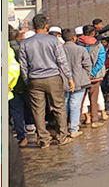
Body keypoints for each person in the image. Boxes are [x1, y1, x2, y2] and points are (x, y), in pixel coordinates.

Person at [17, 14, 75, 148]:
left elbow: (23, 66)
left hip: (34, 79)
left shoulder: (25, 43)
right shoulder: (53, 40)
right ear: (46, 27)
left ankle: (43, 140)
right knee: (59, 107)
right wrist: (69, 78)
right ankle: (62, 137)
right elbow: (62, 61)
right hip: (53, 78)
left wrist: (28, 81)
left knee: (38, 110)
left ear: (33, 27)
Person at [62, 28, 92, 138]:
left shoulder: (59, 50)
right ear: (74, 38)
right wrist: (85, 75)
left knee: (65, 104)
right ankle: (74, 129)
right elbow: (88, 65)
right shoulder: (81, 50)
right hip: (79, 81)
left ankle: (63, 128)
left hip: (64, 82)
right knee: (75, 104)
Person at [77, 25, 107, 128]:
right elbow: (101, 61)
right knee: (94, 99)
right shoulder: (99, 45)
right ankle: (95, 120)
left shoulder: (77, 44)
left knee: (80, 99)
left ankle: (77, 122)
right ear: (93, 33)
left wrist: (85, 74)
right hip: (95, 77)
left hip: (81, 77)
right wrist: (92, 73)